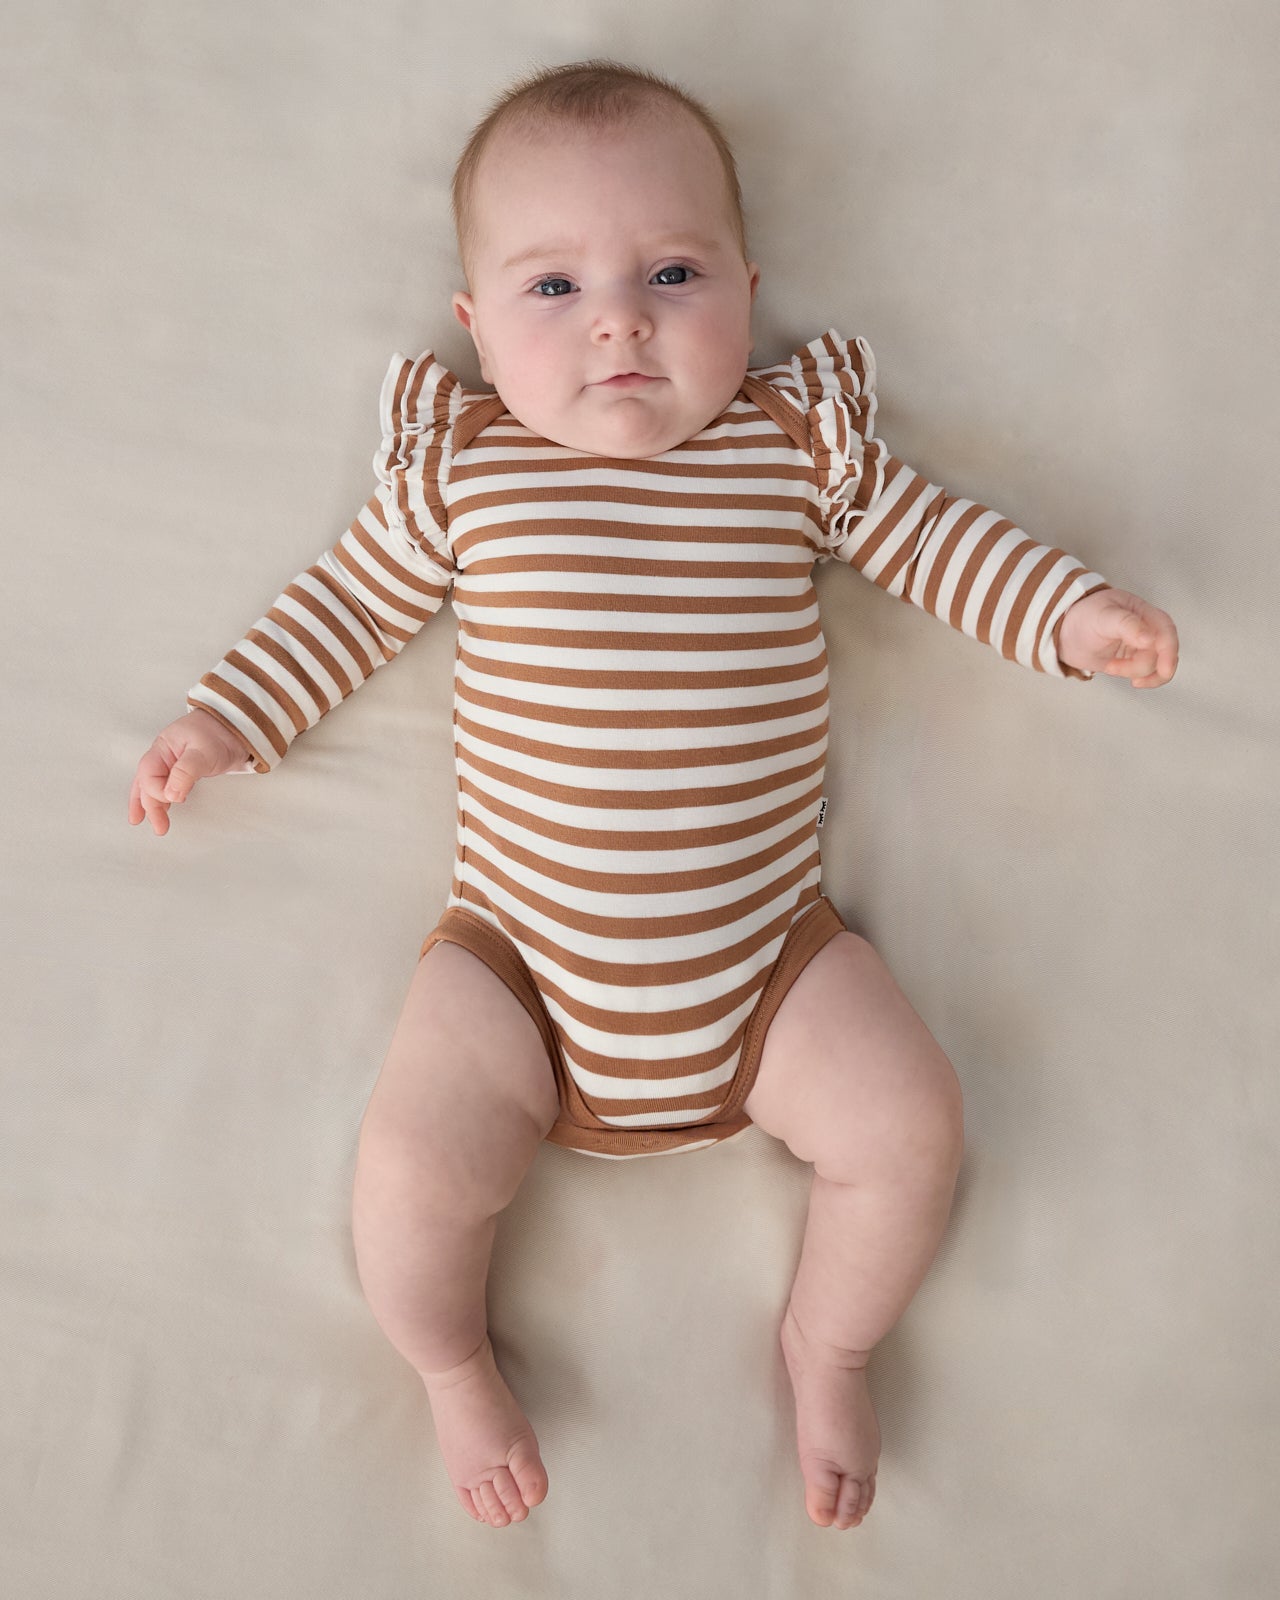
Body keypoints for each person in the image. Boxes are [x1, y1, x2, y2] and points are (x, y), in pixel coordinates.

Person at [128, 58, 1179, 1534]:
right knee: (414, 1169)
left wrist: (1071, 620)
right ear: (473, 326)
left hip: (770, 973)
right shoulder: (468, 473)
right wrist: (222, 719)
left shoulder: (790, 450)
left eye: (672, 271)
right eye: (552, 288)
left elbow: (943, 543)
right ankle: (449, 1363)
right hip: (518, 977)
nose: (621, 316)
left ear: (751, 288)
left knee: (913, 1125)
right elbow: (344, 610)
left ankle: (829, 1341)